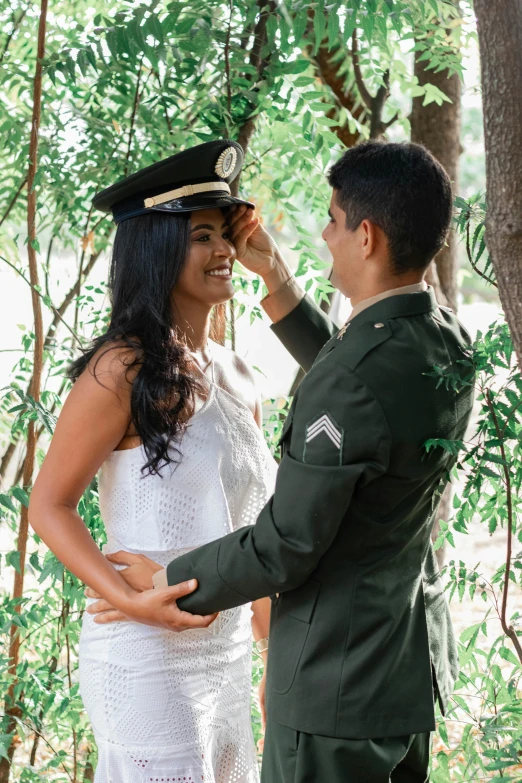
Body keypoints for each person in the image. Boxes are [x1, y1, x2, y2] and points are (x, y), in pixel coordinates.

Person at [87, 140, 476, 782]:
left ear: (367, 236)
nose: (323, 233)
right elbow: (366, 387)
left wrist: (168, 581)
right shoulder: (446, 340)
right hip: (404, 670)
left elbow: (288, 540)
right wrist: (277, 282)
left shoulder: (353, 375)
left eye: (331, 219)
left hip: (334, 676)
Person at [28, 140, 277, 783]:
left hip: (225, 658)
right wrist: (129, 602)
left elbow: (257, 529)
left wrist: (273, 655)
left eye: (226, 232)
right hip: (144, 657)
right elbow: (49, 504)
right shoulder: (124, 368)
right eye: (202, 235)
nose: (224, 251)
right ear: (157, 249)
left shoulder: (241, 375)